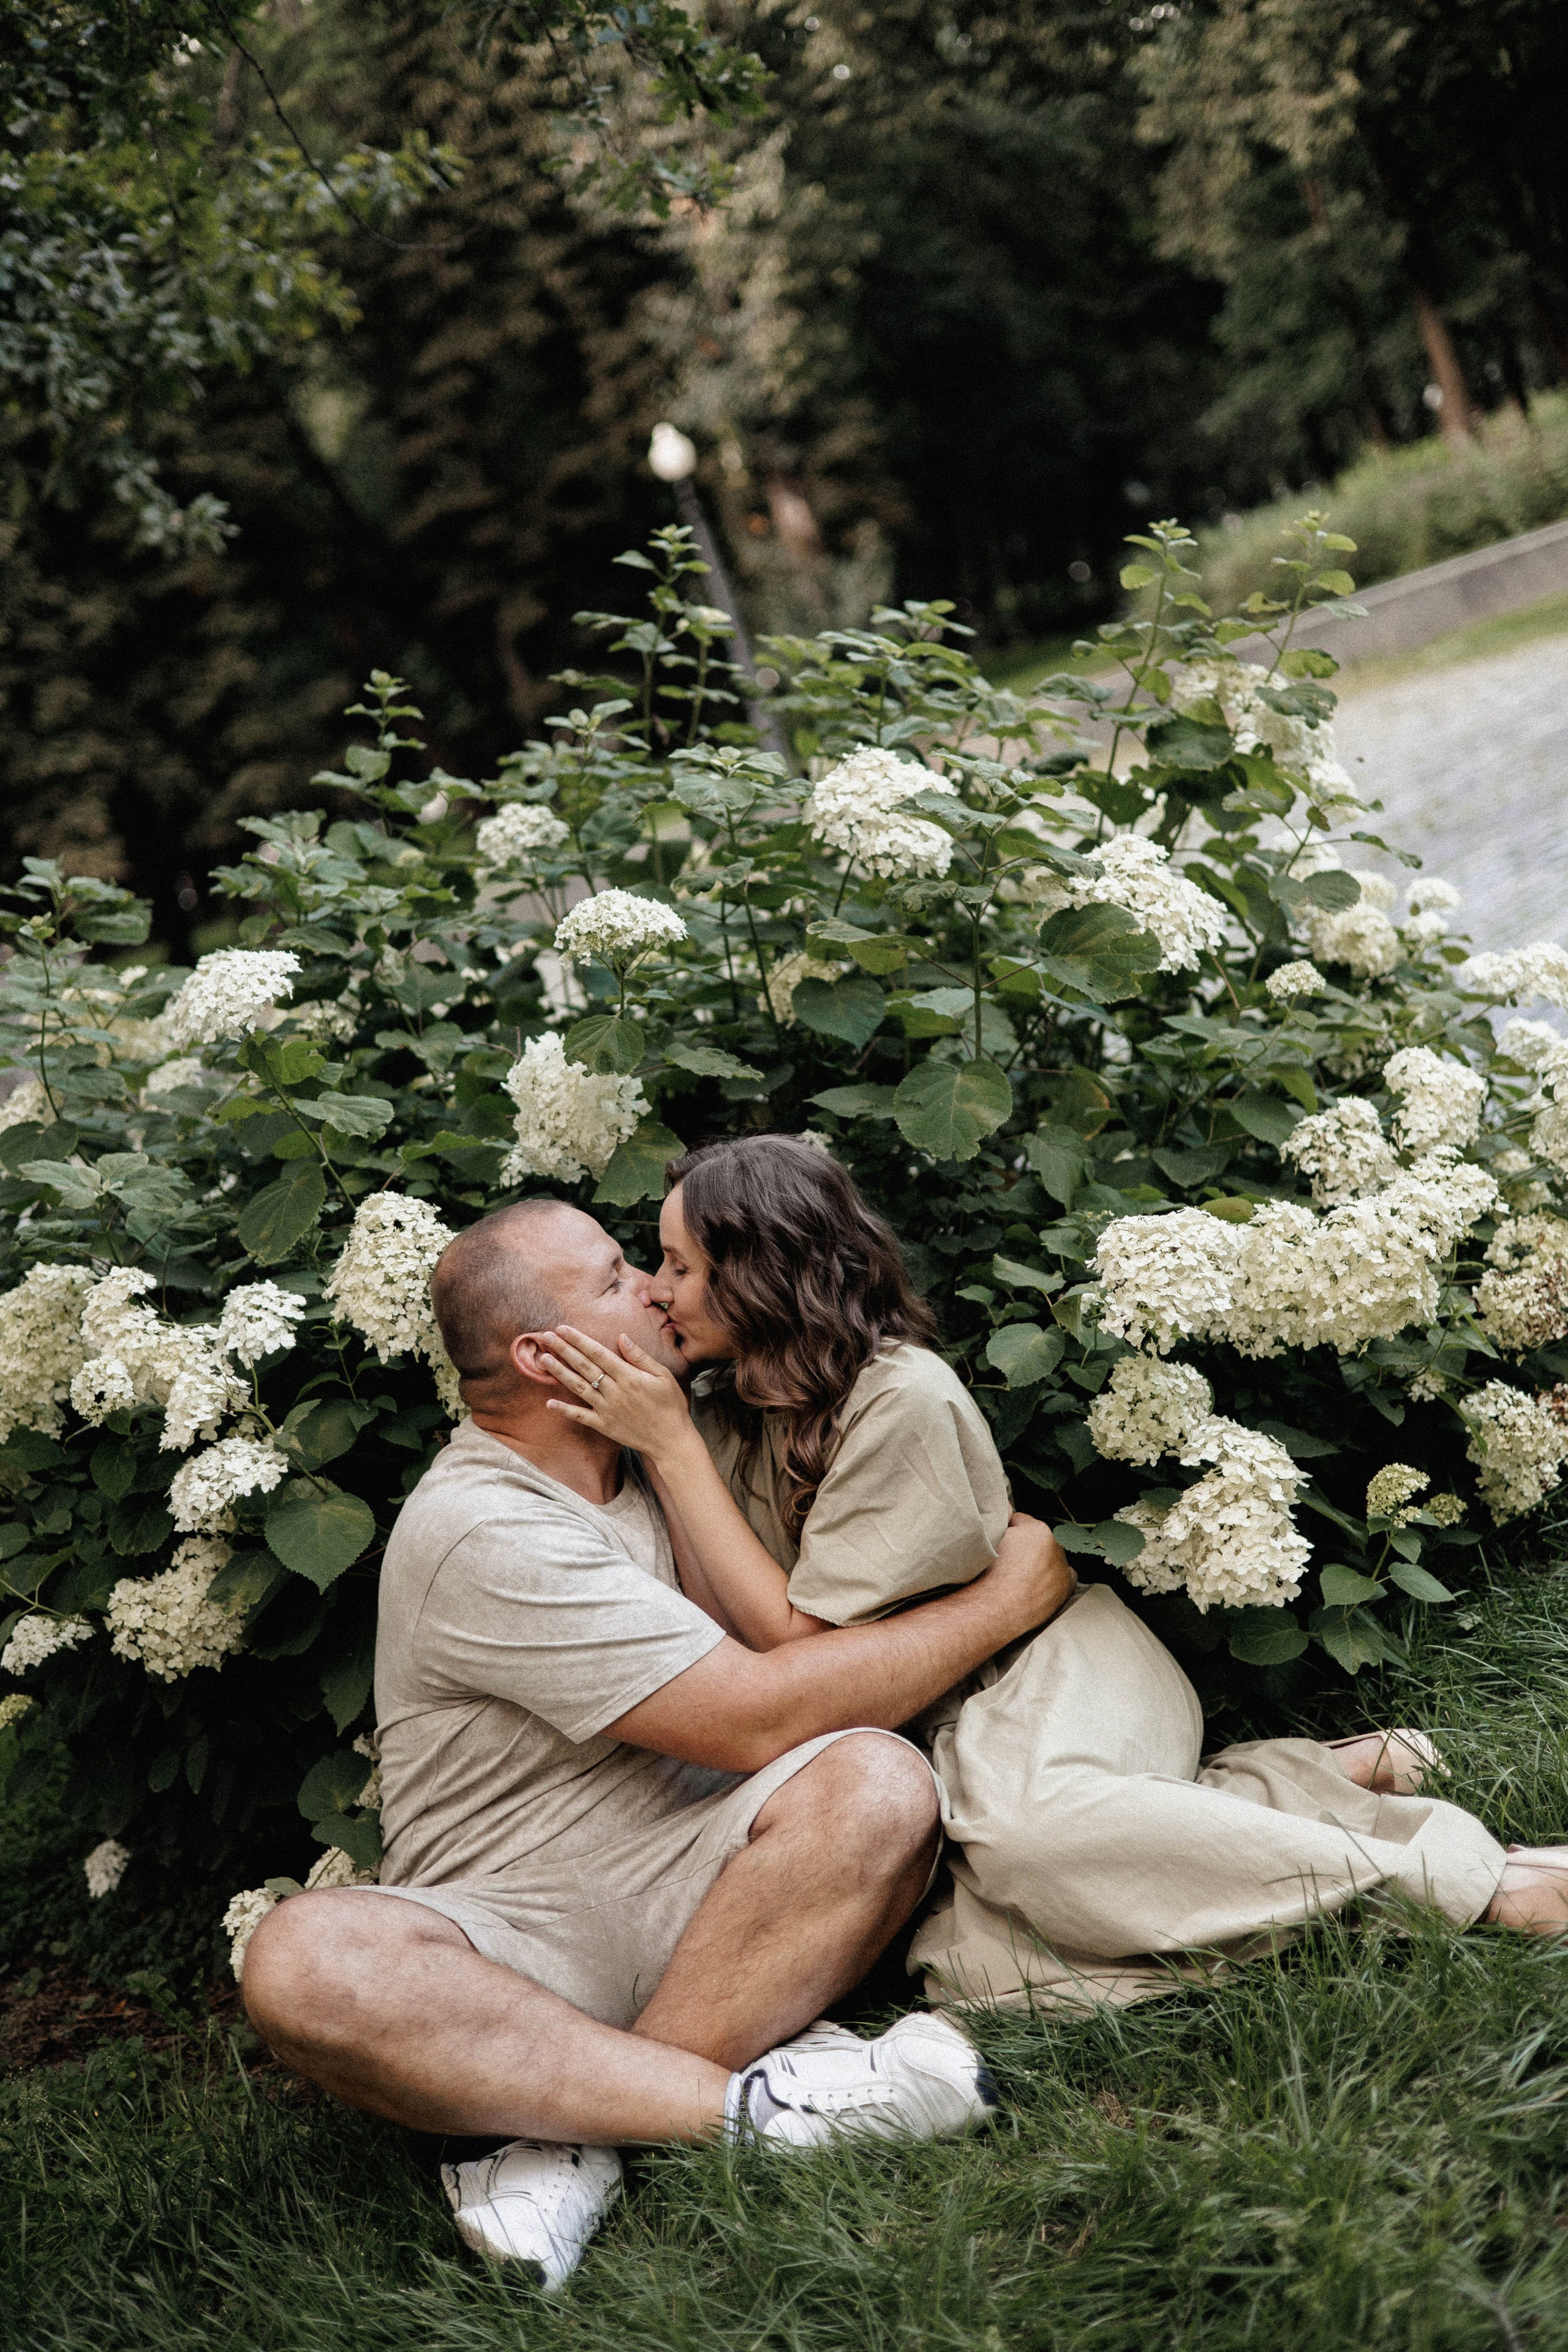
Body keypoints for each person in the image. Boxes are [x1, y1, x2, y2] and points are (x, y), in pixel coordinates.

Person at [537, 1134, 1568, 2019]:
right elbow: (731, 1631)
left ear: (761, 1272)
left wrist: (669, 1451)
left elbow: (797, 1650)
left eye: (679, 1266)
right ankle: (1278, 1785)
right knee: (980, 1969)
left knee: (1036, 1843)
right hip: (952, 1736)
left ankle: (1474, 1881)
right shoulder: (719, 1414)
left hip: (1051, 1672)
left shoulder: (900, 1398)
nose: (658, 1290)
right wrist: (672, 1444)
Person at [240, 1196, 1076, 2288]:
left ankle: (566, 2136)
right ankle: (761, 2112)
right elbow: (756, 1715)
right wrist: (1001, 1603)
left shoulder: (650, 1460)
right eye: (613, 1278)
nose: (653, 1287)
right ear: (544, 1355)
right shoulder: (486, 1526)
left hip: (699, 1889)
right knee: (301, 1960)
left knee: (878, 1781)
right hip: (513, 1936)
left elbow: (783, 1665)